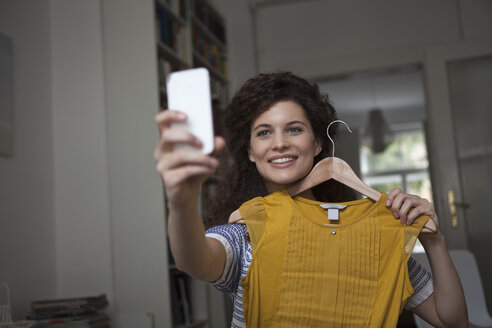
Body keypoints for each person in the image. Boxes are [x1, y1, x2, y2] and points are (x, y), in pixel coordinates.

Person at [154, 71, 468, 327]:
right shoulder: (248, 231)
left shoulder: (376, 235)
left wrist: (435, 241)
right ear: (249, 151)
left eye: (293, 129)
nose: (279, 143)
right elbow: (194, 260)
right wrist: (182, 201)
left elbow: (452, 321)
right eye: (263, 132)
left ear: (318, 142)